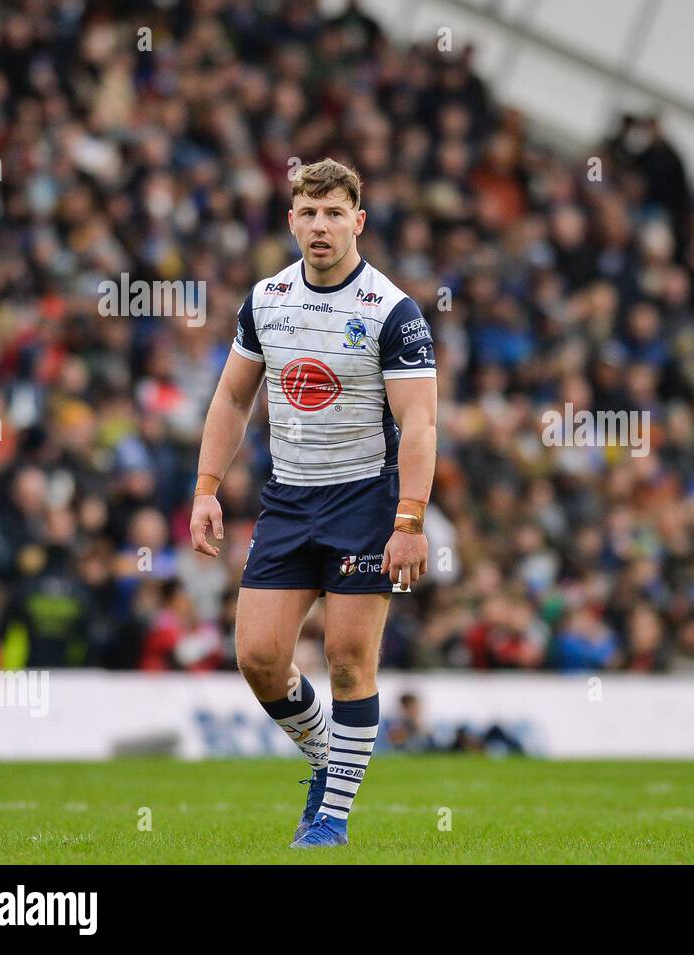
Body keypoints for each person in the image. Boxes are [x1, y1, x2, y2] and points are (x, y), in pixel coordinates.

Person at [189, 159, 438, 848]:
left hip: (365, 498)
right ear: (291, 219)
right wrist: (206, 488)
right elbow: (233, 396)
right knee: (259, 657)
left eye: (334, 213)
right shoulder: (267, 298)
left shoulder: (393, 311)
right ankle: (331, 759)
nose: (320, 226)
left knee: (349, 657)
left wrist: (410, 520)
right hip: (290, 499)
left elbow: (418, 424)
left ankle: (331, 815)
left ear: (359, 220)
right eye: (309, 212)